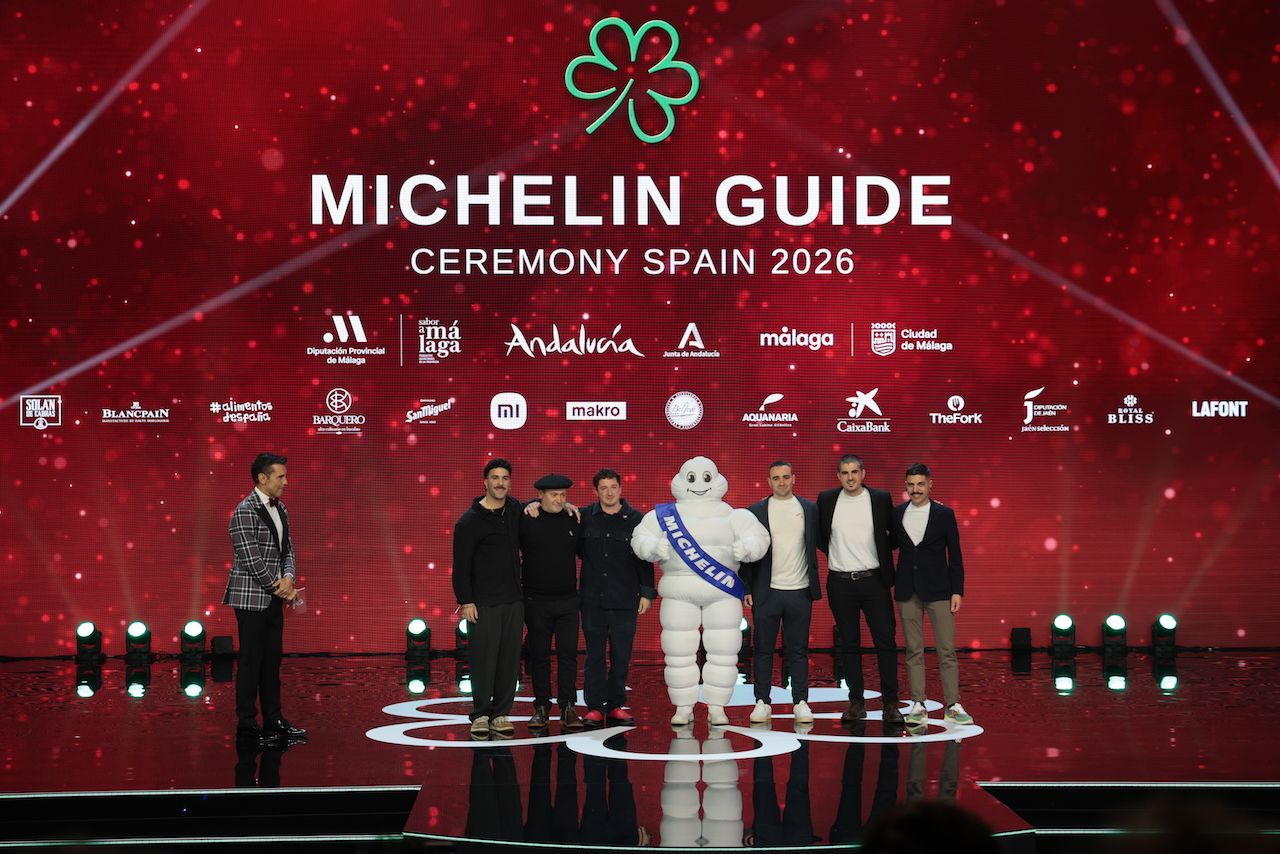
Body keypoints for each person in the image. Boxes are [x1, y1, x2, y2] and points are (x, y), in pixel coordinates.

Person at [631, 457, 770, 726]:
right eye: (692, 478)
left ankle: (717, 706)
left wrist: (747, 548)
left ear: (715, 480)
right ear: (682, 480)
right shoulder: (664, 516)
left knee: (724, 652)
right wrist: (652, 548)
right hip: (678, 590)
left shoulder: (734, 515)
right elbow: (640, 538)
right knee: (678, 652)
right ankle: (683, 706)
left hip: (722, 592)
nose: (698, 484)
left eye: (705, 478)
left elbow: (759, 538)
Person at [224, 452, 307, 748]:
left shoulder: (280, 508)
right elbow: (251, 559)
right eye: (280, 476)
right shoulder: (244, 511)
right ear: (262, 478)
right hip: (251, 599)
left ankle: (274, 718)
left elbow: (288, 550)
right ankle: (247, 724)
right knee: (251, 661)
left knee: (272, 661)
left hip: (274, 597)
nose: (286, 482)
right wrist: (279, 587)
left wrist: (289, 578)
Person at [817, 454, 904, 725]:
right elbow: (820, 537)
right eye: (845, 473)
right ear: (838, 476)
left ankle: (891, 704)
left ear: (863, 473)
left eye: (854, 472)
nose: (850, 477)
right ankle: (856, 702)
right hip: (840, 582)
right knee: (849, 644)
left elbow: (894, 536)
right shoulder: (827, 499)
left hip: (874, 580)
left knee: (885, 643)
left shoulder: (880, 498)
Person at [891, 464, 973, 726]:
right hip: (907, 590)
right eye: (911, 484)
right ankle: (918, 704)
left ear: (930, 485)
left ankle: (952, 705)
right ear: (906, 486)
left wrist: (957, 590)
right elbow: (889, 544)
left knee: (946, 650)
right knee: (913, 650)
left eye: (920, 484)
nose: (915, 489)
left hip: (939, 590)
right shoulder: (897, 513)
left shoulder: (944, 514)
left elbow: (955, 554)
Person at [741, 460, 820, 725]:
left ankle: (800, 702)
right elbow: (748, 553)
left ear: (794, 479)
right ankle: (762, 702)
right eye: (776, 478)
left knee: (798, 651)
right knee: (763, 650)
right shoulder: (755, 512)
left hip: (800, 591)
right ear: (769, 481)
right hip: (767, 592)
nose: (782, 482)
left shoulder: (809, 509)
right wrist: (747, 587)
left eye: (786, 477)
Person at [453, 458, 524, 739]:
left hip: (514, 601)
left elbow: (539, 506)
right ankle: (481, 714)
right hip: (483, 603)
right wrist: (466, 601)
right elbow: (461, 566)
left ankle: (501, 714)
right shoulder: (469, 521)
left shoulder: (515, 510)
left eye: (505, 478)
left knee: (509, 661)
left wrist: (565, 506)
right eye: (495, 478)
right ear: (485, 482)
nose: (500, 483)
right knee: (484, 661)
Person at [578, 468, 655, 727]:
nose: (609, 493)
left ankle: (615, 705)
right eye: (603, 488)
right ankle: (595, 707)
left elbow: (644, 558)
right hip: (592, 599)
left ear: (621, 489)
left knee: (621, 655)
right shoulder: (584, 517)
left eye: (613, 487)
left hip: (625, 599)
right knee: (595, 656)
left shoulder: (636, 519)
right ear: (596, 491)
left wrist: (646, 592)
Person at [519, 473, 584, 731]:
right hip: (536, 601)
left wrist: (569, 507)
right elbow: (508, 505)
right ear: (540, 495)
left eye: (563, 495)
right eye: (554, 495)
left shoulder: (573, 518)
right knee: (540, 656)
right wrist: (528, 504)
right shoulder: (527, 518)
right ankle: (542, 707)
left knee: (568, 656)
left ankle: (568, 707)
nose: (559, 499)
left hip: (568, 601)